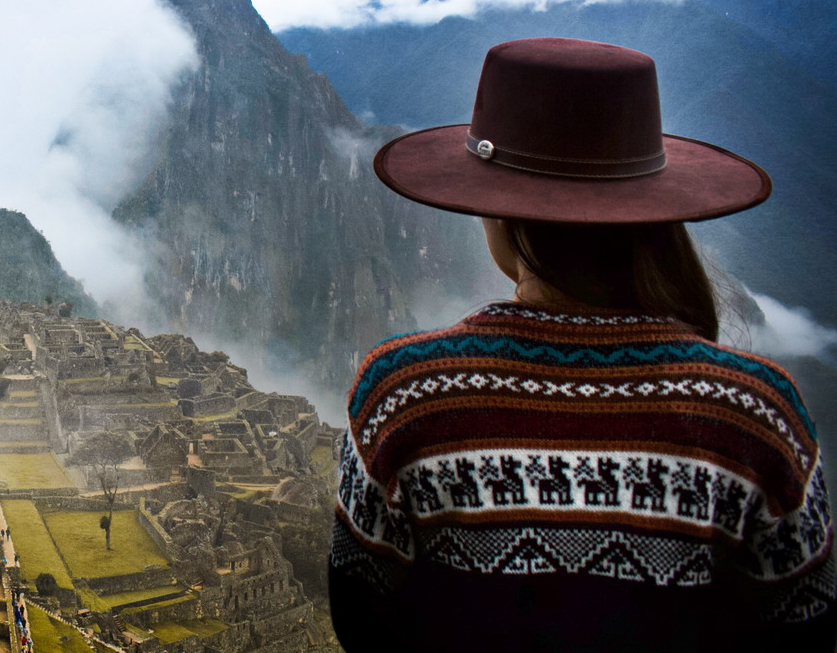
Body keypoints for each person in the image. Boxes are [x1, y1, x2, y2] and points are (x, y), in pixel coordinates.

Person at [329, 38, 836, 652]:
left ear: (497, 212)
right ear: (651, 208)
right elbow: (807, 628)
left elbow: (362, 618)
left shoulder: (402, 395)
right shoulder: (757, 413)